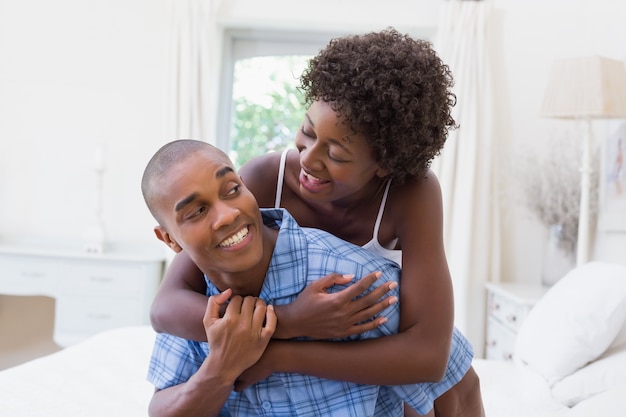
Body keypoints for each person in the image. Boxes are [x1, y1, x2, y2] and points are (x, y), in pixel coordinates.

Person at [151, 28, 484, 416]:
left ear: (384, 164)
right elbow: (167, 306)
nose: (308, 159)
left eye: (337, 154)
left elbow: (428, 356)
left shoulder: (411, 194)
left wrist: (278, 356)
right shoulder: (263, 180)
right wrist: (289, 322)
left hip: (433, 379)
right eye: (307, 132)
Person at [141, 139, 474, 417]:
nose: (226, 215)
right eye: (197, 211)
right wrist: (223, 367)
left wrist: (271, 354)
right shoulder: (198, 300)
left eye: (231, 190)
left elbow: (451, 381)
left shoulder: (352, 288)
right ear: (169, 239)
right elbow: (163, 400)